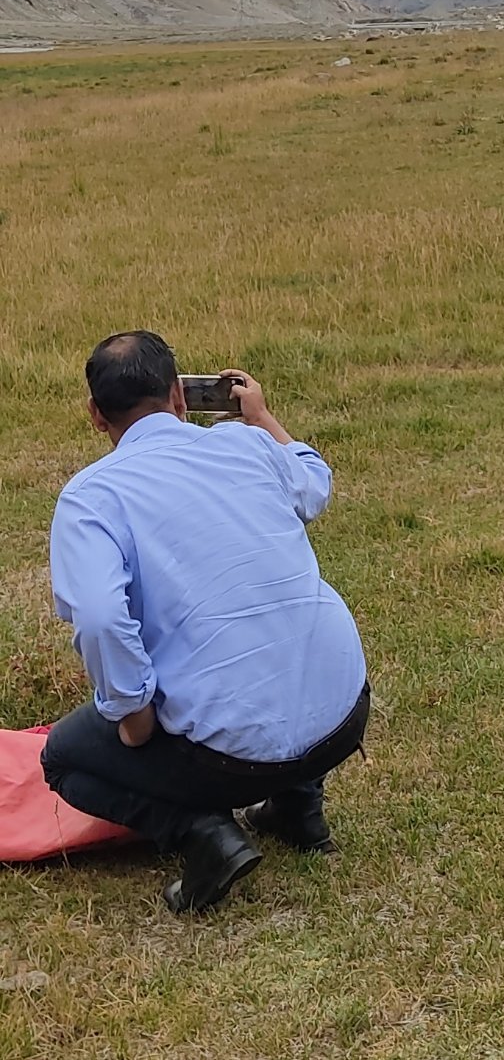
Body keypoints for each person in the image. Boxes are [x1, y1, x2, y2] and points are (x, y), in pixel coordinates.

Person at [41, 331, 368, 914]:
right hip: (344, 714)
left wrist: (133, 713)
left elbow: (98, 620)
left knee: (63, 757)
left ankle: (200, 831)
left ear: (96, 416)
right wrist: (263, 417)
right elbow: (314, 484)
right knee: (270, 631)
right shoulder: (247, 444)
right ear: (179, 396)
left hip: (231, 758)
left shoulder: (90, 498)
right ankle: (298, 808)